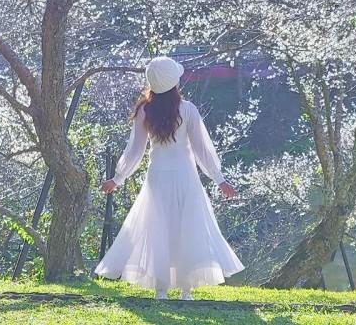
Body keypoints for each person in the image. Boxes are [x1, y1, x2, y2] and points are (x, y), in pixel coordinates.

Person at [94, 56, 244, 300]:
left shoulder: (145, 110)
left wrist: (118, 178)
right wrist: (220, 179)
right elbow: (202, 150)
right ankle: (186, 291)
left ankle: (161, 290)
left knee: (158, 229)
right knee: (188, 229)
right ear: (175, 83)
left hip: (158, 177)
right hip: (186, 177)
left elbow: (135, 150)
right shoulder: (187, 110)